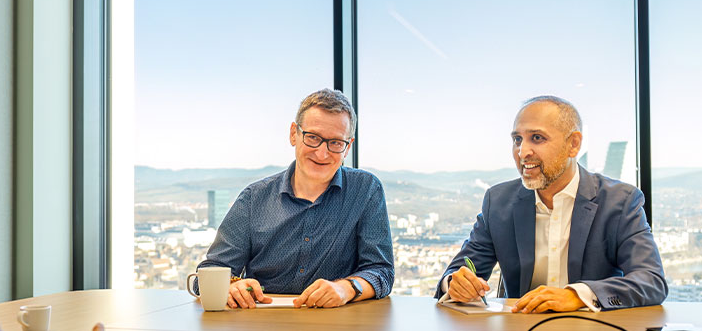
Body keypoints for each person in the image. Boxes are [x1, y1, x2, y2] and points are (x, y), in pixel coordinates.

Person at [435, 96, 667, 313]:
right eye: (517, 139)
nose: (522, 151)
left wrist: (578, 295)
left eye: (537, 138)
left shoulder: (620, 200)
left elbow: (651, 280)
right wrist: (456, 283)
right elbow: (458, 271)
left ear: (573, 144)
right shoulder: (498, 201)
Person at [195, 89, 394, 309]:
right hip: (261, 321)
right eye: (313, 138)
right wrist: (232, 286)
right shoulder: (254, 198)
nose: (322, 153)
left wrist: (346, 288)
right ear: (293, 134)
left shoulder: (365, 190)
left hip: (336, 322)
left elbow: (381, 271)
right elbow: (207, 274)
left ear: (348, 147)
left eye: (336, 143)